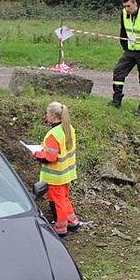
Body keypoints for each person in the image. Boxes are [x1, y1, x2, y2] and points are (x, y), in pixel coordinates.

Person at [33, 102, 82, 238]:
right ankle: (73, 222)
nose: (46, 115)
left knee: (57, 202)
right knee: (64, 199)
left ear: (53, 115)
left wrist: (37, 154)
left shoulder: (53, 134)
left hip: (54, 177)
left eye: (47, 113)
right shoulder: (68, 128)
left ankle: (61, 228)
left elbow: (50, 158)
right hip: (66, 173)